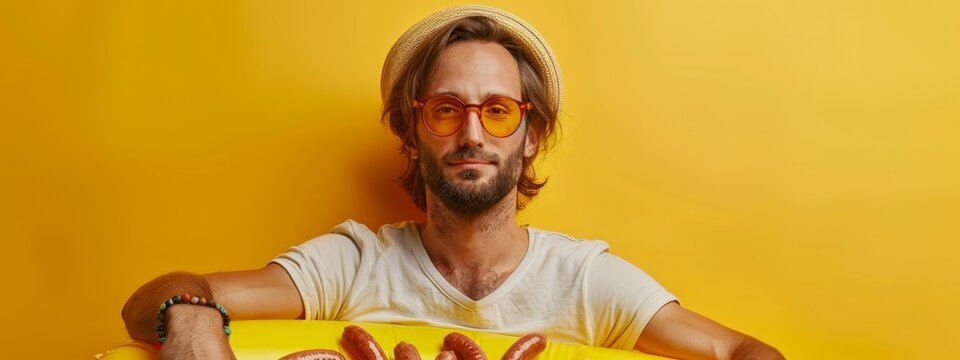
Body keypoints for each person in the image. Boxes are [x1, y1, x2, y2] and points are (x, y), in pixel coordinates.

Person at [122, 5, 784, 359]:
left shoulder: (582, 280)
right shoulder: (355, 264)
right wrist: (190, 321)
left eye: (497, 111)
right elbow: (169, 295)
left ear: (531, 136)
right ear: (413, 135)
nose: (472, 135)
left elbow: (745, 352)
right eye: (446, 109)